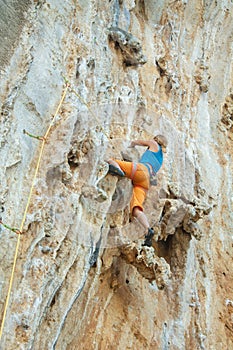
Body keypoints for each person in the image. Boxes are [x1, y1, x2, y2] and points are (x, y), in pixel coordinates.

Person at [107, 134, 168, 247]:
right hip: (146, 182)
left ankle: (119, 170)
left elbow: (139, 141)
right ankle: (148, 229)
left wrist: (131, 144)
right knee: (136, 209)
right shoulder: (160, 159)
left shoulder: (154, 144)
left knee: (111, 160)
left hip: (140, 171)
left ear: (157, 140)